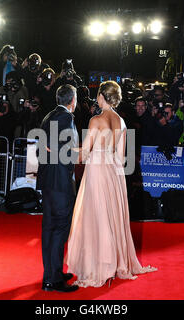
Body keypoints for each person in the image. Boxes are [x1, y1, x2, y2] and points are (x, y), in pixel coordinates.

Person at [66, 81, 157, 288]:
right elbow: (120, 156)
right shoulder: (121, 121)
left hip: (97, 171)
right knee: (111, 216)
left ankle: (99, 265)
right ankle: (112, 263)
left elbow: (85, 153)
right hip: (114, 174)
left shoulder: (96, 120)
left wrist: (61, 150)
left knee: (95, 217)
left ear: (101, 96)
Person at [36, 84, 79, 293]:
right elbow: (66, 151)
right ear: (72, 100)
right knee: (59, 229)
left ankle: (51, 274)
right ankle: (52, 280)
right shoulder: (66, 118)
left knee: (50, 229)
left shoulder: (47, 117)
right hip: (60, 182)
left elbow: (42, 148)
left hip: (48, 181)